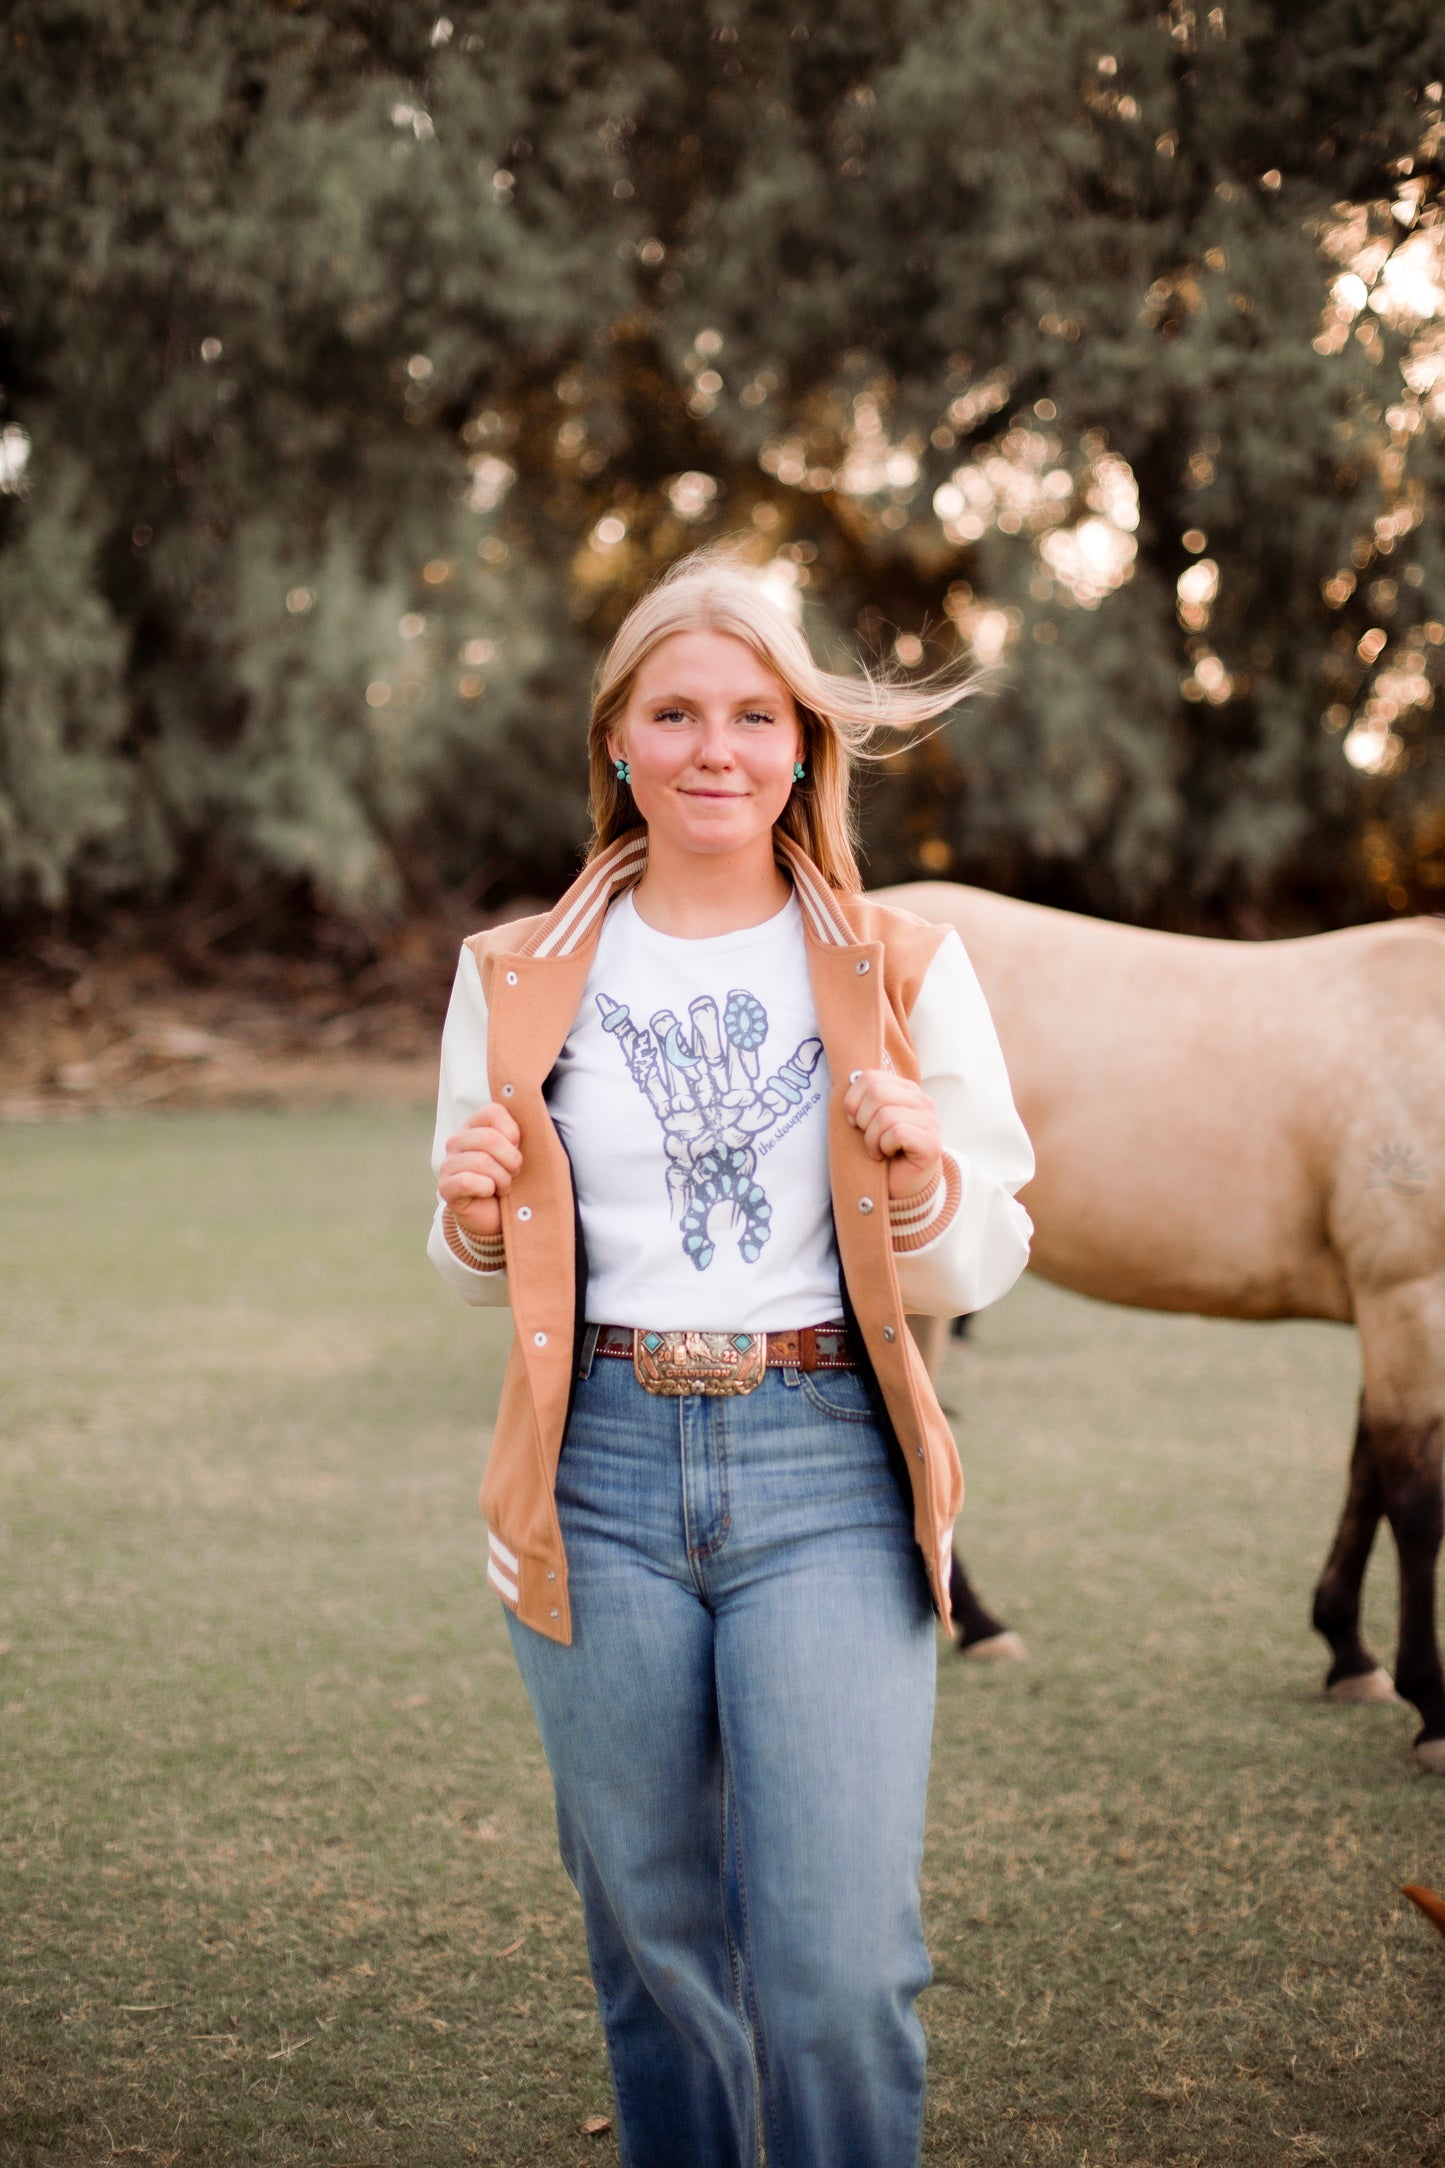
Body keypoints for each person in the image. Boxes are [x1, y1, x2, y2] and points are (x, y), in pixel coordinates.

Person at [427, 549, 1034, 2168]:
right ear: (614, 741)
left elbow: (993, 1247)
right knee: (654, 1955)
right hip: (597, 1474)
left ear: (802, 745)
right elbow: (472, 1258)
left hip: (825, 1460)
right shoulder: (512, 972)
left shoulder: (898, 967)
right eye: (675, 712)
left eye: (755, 713)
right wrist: (475, 1212)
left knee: (835, 1970)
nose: (717, 748)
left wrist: (919, 1182)